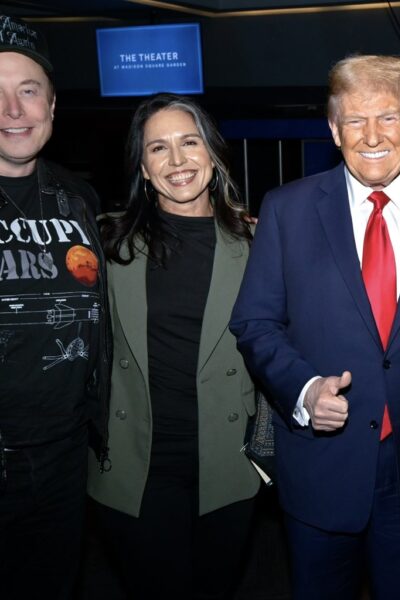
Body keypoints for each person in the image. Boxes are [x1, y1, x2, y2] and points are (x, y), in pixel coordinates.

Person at [230, 54, 400, 599]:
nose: (372, 135)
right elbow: (255, 322)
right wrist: (302, 388)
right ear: (333, 129)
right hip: (322, 463)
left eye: (388, 118)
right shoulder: (287, 210)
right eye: (354, 120)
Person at [87, 93, 260, 600]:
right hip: (137, 464)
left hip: (226, 461)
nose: (178, 161)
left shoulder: (258, 244)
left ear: (212, 152)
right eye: (158, 148)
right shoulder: (108, 244)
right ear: (142, 166)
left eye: (190, 143)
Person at [0, 15, 109, 600]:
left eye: (27, 90)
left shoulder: (78, 199)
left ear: (52, 105)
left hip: (67, 453)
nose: (12, 110)